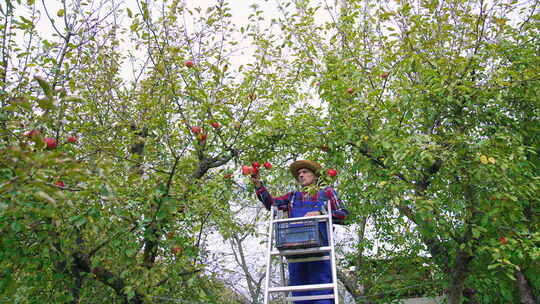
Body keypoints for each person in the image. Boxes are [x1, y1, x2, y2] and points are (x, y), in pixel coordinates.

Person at [251, 160, 348, 304]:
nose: (301, 175)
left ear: (315, 176)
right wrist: (259, 185)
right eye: (299, 173)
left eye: (305, 172)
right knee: (299, 293)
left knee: (323, 292)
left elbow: (343, 214)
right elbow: (271, 204)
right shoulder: (292, 197)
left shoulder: (326, 192)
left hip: (320, 250)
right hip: (295, 249)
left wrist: (320, 213)